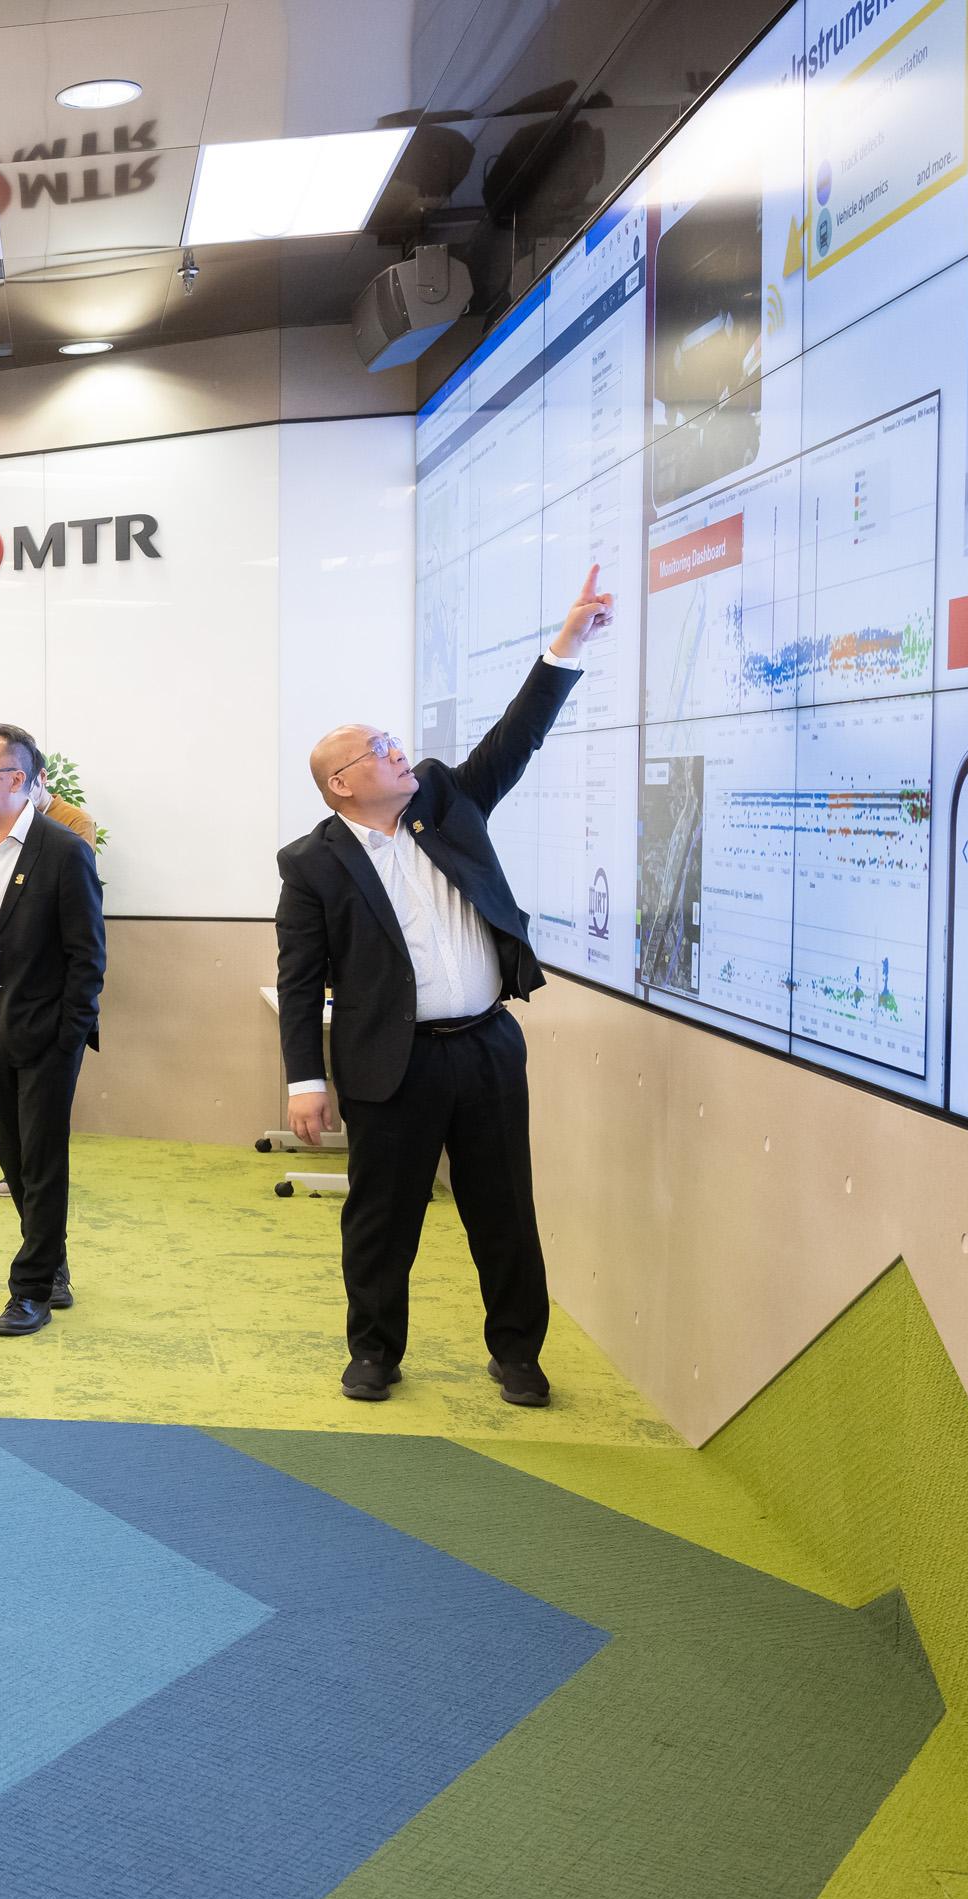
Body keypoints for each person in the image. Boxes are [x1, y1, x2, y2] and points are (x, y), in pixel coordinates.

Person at [280, 567, 614, 1409]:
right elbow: (300, 980)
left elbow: (517, 737)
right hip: (391, 1063)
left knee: (503, 1209)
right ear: (342, 784)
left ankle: (517, 1353)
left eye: (394, 742)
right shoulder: (312, 863)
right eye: (377, 750)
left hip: (487, 1046)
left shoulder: (447, 800)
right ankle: (374, 1352)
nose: (398, 751)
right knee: (383, 1219)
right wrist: (304, 1080)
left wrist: (566, 643)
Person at [0, 724, 106, 1339]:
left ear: (18, 779)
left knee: (42, 1157)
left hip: (48, 1033)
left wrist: (69, 1037)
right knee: (12, 1157)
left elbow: (88, 956)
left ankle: (29, 1288)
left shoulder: (62, 850)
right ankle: (53, 1260)